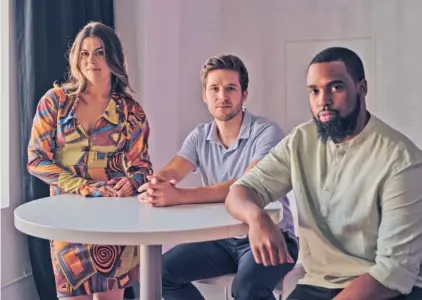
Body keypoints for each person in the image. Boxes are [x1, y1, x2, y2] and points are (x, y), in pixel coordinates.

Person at [226, 46, 422, 300]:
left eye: (336, 87)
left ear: (361, 88)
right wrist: (257, 218)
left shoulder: (401, 159)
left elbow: (393, 271)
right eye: (314, 91)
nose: (323, 100)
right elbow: (241, 191)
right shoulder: (301, 140)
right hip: (318, 284)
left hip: (384, 289)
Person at [137, 54, 298, 300]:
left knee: (246, 290)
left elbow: (245, 186)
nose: (222, 96)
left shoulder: (267, 132)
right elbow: (172, 171)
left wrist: (178, 196)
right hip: (221, 239)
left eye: (230, 88)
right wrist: (156, 184)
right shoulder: (200, 135)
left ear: (244, 95)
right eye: (214, 89)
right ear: (204, 95)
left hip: (271, 234)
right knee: (155, 275)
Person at [27, 22, 153, 300]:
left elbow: (143, 168)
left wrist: (131, 183)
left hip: (115, 220)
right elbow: (37, 160)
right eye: (84, 53)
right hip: (67, 218)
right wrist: (83, 185)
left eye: (99, 53)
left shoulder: (131, 112)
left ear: (114, 58)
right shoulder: (55, 102)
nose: (91, 61)